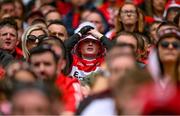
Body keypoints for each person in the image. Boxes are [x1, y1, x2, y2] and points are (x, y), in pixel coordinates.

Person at [29, 42, 82, 114]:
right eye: (36, 65)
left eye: (47, 64)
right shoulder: (26, 85)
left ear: (58, 66)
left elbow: (70, 112)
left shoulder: (70, 84)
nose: (42, 69)